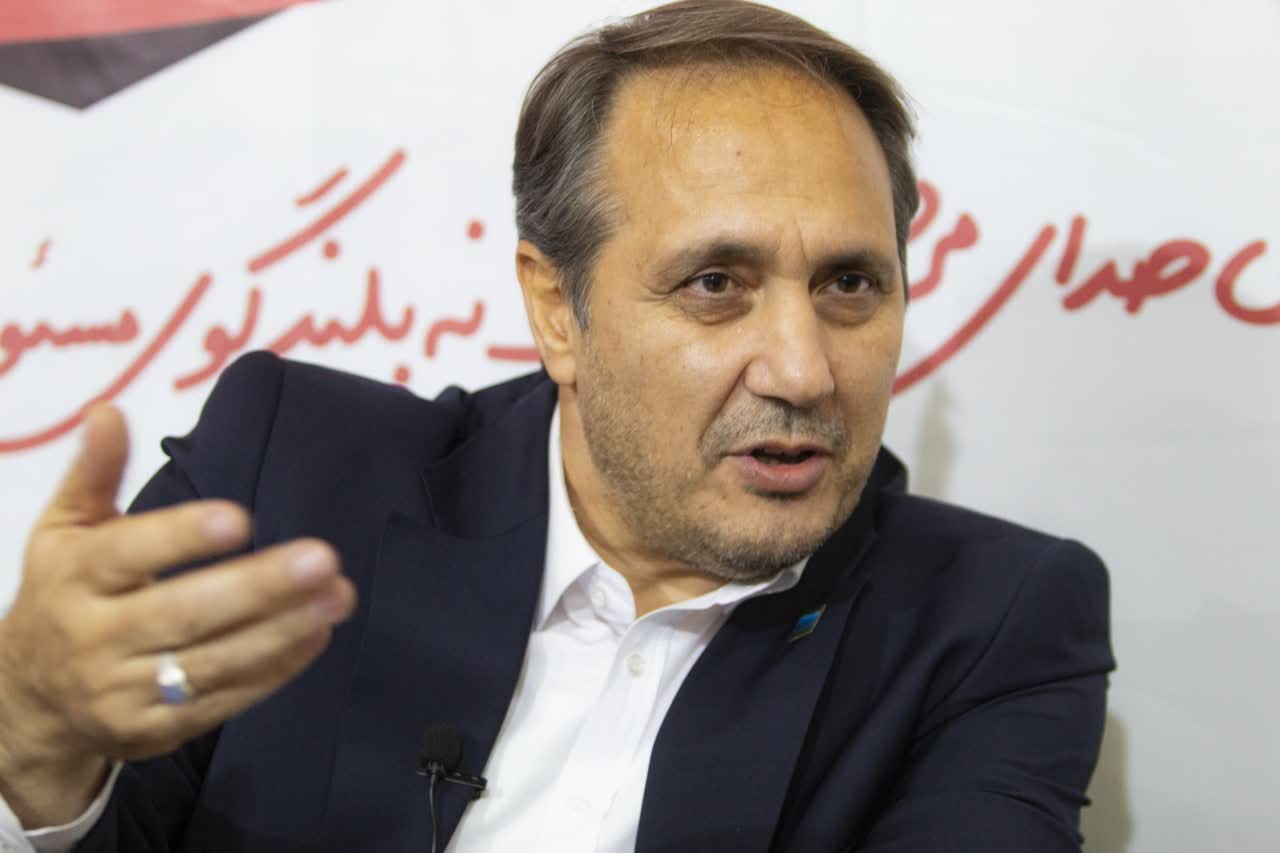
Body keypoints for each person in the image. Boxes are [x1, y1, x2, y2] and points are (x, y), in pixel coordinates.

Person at [0, 1, 1114, 850]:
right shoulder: (292, 472)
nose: (803, 368)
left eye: (850, 284)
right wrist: (34, 744)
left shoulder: (991, 627)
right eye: (715, 283)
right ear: (554, 309)